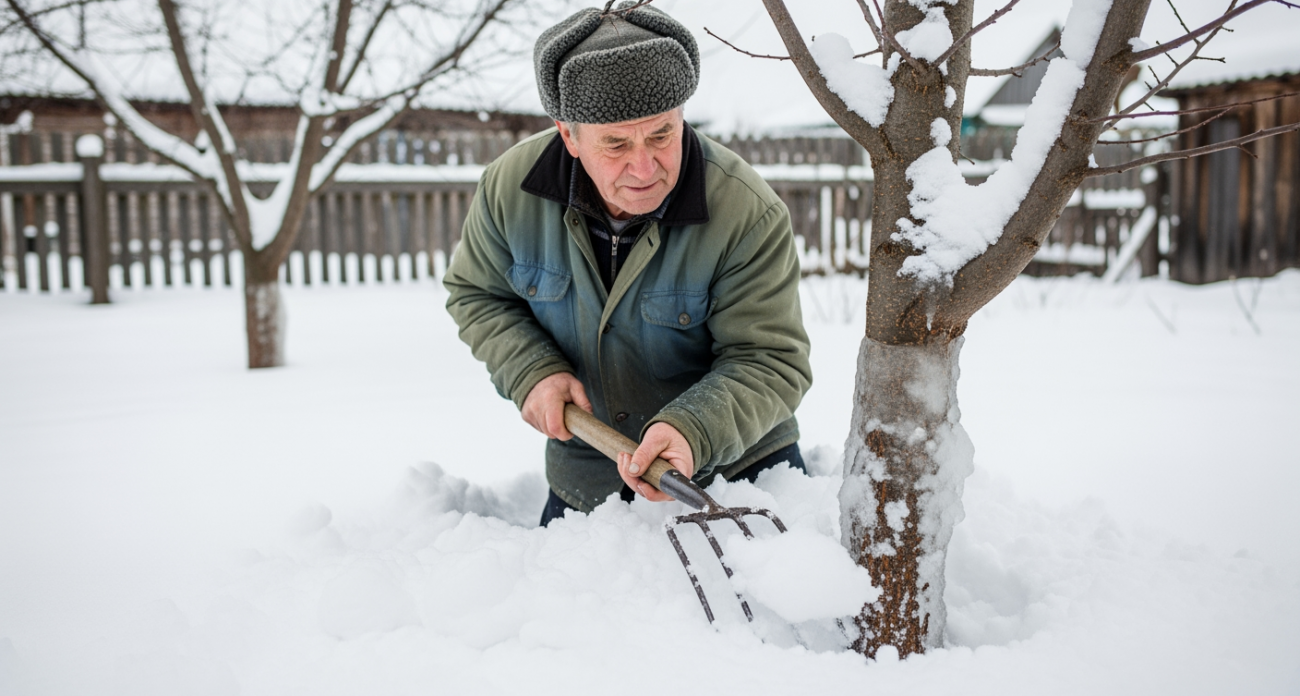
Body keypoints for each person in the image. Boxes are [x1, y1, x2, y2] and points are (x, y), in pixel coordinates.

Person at [443, 2, 812, 526]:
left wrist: (694, 429)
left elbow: (772, 361)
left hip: (737, 476)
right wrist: (530, 370)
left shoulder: (746, 212)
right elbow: (477, 295)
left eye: (662, 134)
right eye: (615, 143)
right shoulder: (509, 190)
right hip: (588, 480)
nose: (644, 166)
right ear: (568, 136)